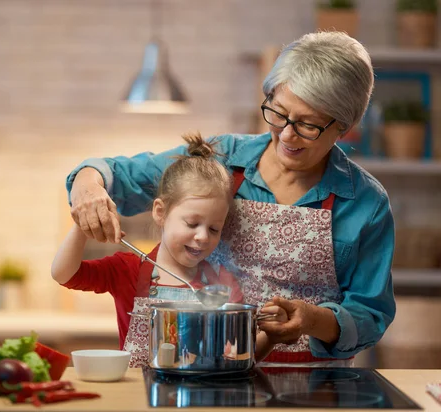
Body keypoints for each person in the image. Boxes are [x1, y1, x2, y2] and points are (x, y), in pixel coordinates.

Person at [65, 31, 396, 367]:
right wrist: (88, 187)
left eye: (308, 125)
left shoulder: (365, 203)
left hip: (310, 387)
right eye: (278, 113)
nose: (286, 134)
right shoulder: (220, 158)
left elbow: (370, 314)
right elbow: (116, 174)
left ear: (345, 126)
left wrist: (312, 320)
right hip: (205, 376)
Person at [52, 133, 288, 367]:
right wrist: (83, 224)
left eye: (215, 229)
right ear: (160, 212)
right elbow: (64, 274)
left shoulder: (222, 282)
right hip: (140, 399)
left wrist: (271, 337)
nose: (203, 236)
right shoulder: (129, 269)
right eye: (192, 223)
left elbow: (235, 356)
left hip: (199, 400)